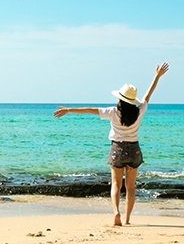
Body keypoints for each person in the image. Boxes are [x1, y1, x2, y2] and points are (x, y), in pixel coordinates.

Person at [54, 62, 169, 226]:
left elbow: (90, 110)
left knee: (116, 184)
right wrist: (157, 77)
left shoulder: (113, 112)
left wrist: (69, 109)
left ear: (120, 98)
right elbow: (147, 95)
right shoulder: (139, 110)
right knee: (130, 187)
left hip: (117, 149)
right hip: (134, 149)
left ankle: (116, 213)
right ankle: (128, 219)